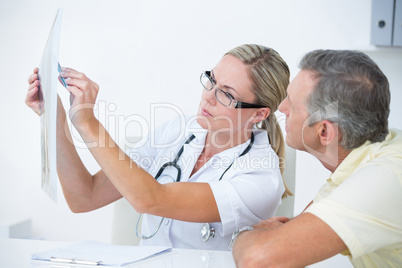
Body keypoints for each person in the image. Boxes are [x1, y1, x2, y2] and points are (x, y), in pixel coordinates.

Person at [25, 44, 292, 250]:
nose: (207, 96)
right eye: (211, 80)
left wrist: (87, 122)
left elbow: (150, 199)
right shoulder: (178, 130)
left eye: (227, 94)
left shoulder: (261, 178)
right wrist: (56, 117)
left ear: (259, 115)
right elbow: (85, 196)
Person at [231, 49, 402, 267]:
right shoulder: (361, 165)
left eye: (292, 104)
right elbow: (290, 239)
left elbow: (257, 259)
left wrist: (242, 233)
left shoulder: (383, 180)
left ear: (324, 133)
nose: (281, 108)